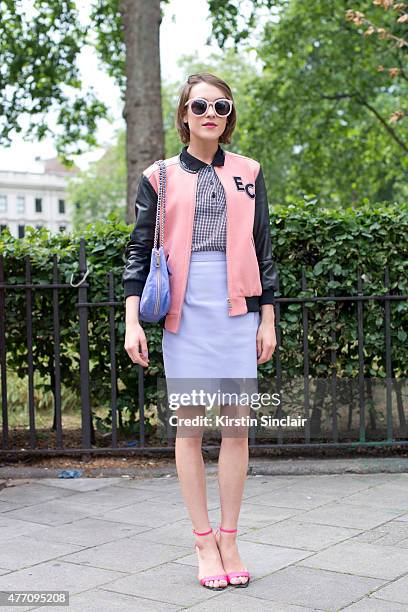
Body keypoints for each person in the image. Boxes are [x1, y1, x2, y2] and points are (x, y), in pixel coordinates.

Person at [123, 73, 278, 590]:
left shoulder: (250, 171)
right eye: (200, 105)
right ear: (184, 114)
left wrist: (268, 317)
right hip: (184, 313)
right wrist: (131, 321)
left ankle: (230, 537)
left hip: (238, 311)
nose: (211, 112)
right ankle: (202, 540)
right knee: (189, 431)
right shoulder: (160, 176)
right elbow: (139, 252)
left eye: (222, 105)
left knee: (237, 430)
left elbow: (263, 248)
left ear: (229, 115)